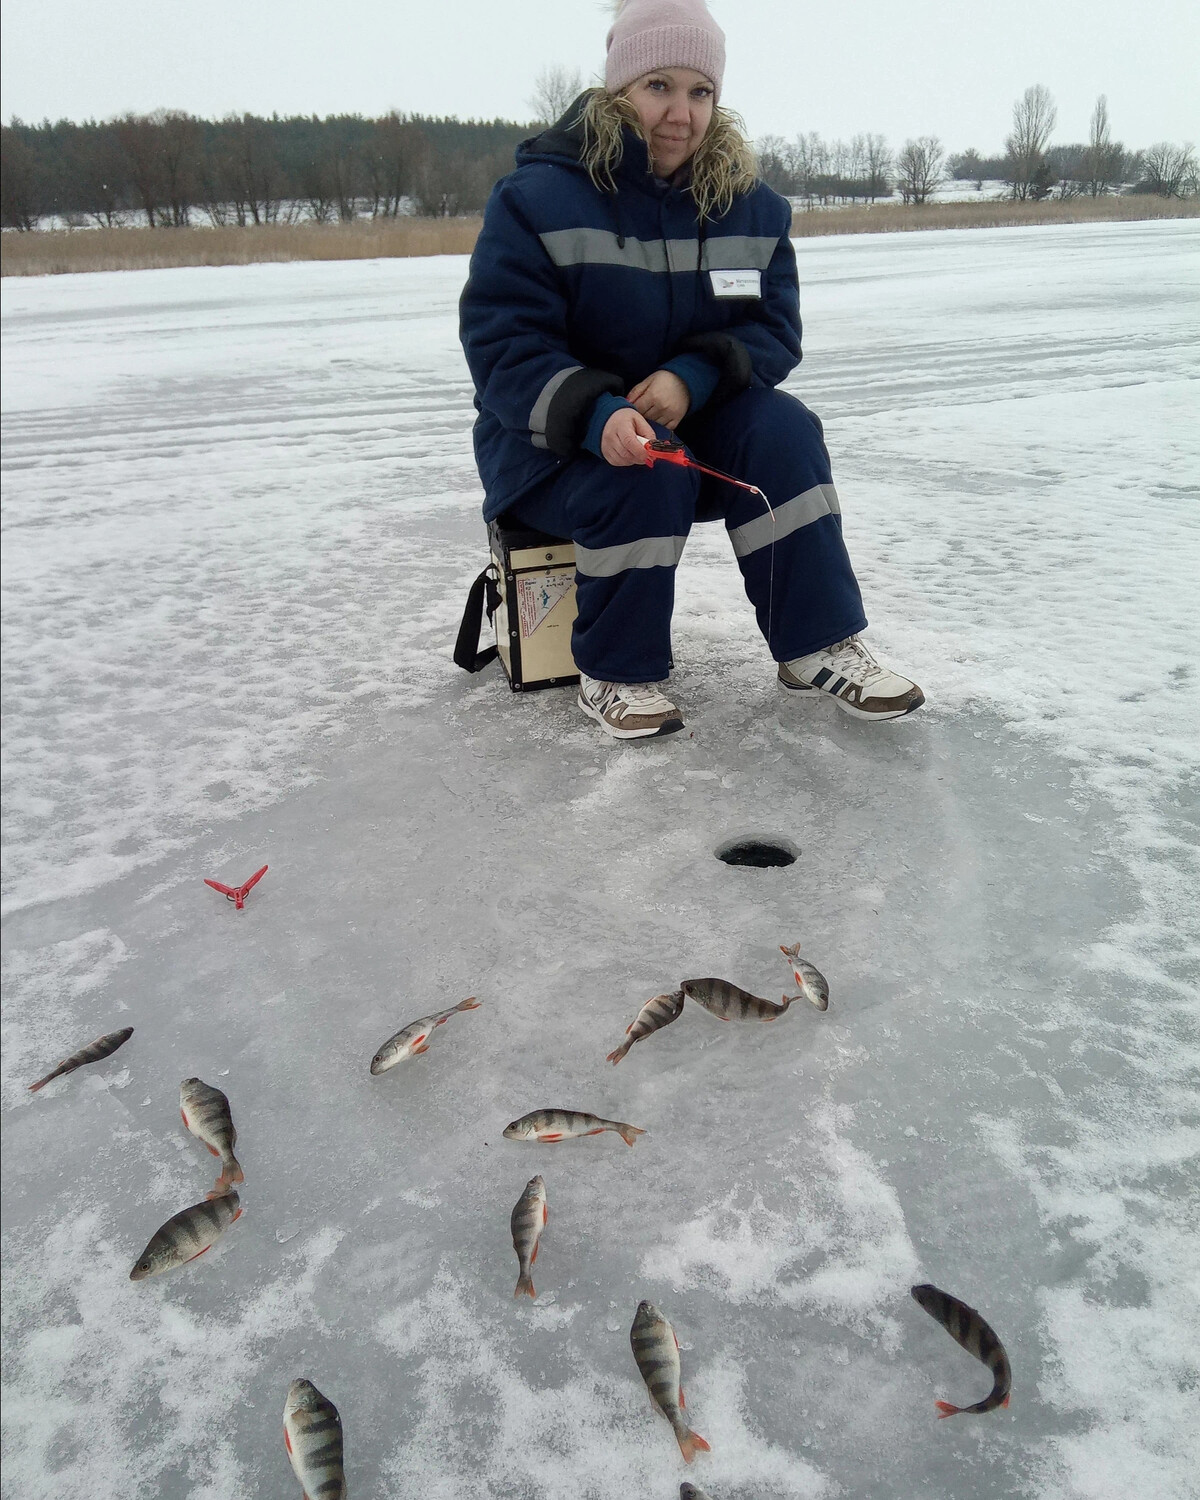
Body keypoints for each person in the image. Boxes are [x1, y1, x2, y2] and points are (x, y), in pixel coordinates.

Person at [459, 0, 924, 740]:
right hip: (551, 452)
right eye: (658, 86)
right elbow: (502, 344)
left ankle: (816, 644)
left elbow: (771, 328)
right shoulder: (536, 201)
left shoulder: (751, 208)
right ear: (618, 89)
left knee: (785, 431)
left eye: (700, 91)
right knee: (652, 465)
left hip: (691, 424)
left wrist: (690, 379)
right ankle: (615, 670)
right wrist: (597, 413)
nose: (681, 113)